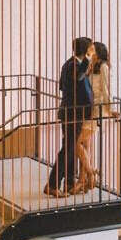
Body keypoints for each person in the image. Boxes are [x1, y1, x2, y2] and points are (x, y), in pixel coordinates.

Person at [44, 36, 94, 197]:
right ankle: (52, 185)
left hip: (72, 112)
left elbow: (62, 86)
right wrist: (87, 61)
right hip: (73, 113)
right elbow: (78, 78)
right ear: (86, 50)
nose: (92, 51)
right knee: (67, 150)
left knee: (70, 148)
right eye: (91, 49)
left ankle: (69, 183)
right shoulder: (74, 65)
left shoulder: (70, 64)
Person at [76, 41, 118, 192]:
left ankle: (90, 173)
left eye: (92, 50)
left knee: (76, 142)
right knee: (85, 145)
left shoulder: (104, 67)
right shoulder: (91, 66)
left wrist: (111, 109)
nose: (90, 53)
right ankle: (83, 180)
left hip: (97, 110)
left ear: (98, 53)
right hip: (89, 108)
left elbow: (106, 90)